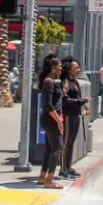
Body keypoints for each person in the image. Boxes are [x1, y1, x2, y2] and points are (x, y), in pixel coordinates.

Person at [36, 55, 65, 189]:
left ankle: (43, 176)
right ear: (53, 68)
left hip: (50, 119)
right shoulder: (49, 82)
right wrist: (58, 120)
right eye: (59, 66)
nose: (61, 68)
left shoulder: (52, 82)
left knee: (49, 149)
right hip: (51, 119)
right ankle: (50, 179)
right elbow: (48, 104)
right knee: (58, 148)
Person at [58, 58, 89, 179]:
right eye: (75, 68)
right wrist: (80, 101)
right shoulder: (66, 82)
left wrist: (84, 105)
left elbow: (78, 96)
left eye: (78, 67)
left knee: (71, 142)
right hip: (68, 115)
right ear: (69, 70)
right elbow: (64, 99)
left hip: (76, 114)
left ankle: (68, 166)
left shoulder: (75, 82)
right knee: (66, 142)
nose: (78, 70)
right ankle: (63, 169)